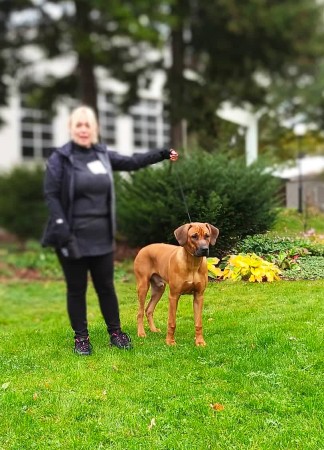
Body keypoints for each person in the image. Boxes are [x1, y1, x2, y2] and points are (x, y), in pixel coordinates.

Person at [42, 105, 178, 355]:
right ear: (71, 129)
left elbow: (132, 162)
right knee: (77, 288)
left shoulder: (101, 155)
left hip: (100, 235)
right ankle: (81, 338)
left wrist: (161, 154)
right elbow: (51, 195)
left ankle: (115, 332)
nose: (83, 129)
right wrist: (62, 228)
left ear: (95, 129)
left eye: (88, 125)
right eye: (78, 125)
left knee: (106, 286)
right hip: (70, 236)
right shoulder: (60, 158)